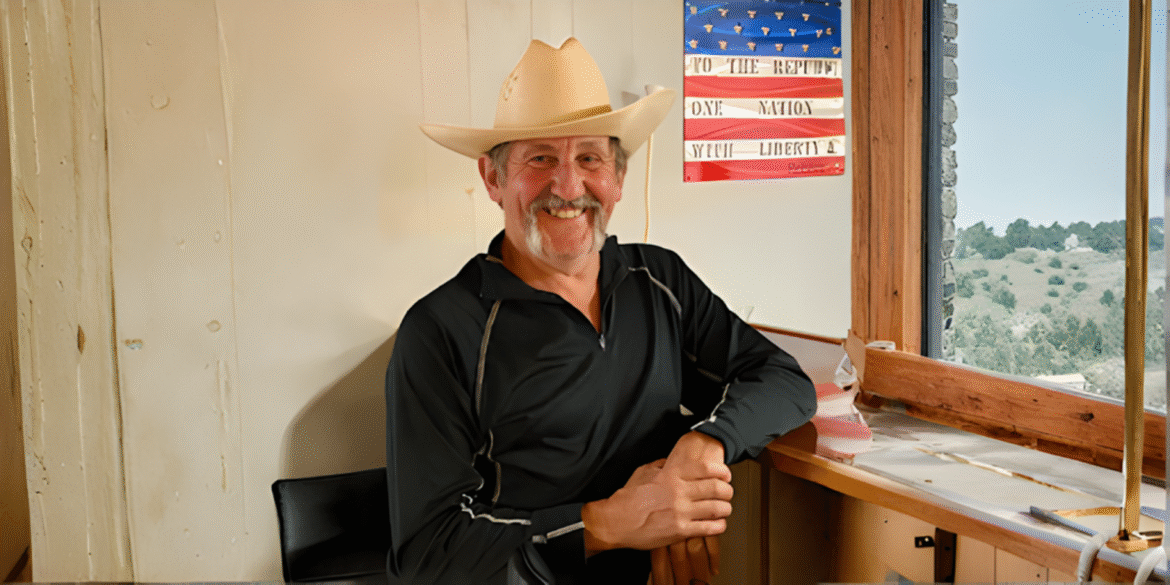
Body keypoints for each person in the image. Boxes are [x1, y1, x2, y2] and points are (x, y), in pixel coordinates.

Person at [385, 37, 816, 585]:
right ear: (493, 180)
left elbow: (781, 379)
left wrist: (703, 446)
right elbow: (427, 556)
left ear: (617, 179)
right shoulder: (442, 331)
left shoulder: (659, 279)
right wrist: (610, 523)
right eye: (540, 159)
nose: (568, 186)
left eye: (590, 158)